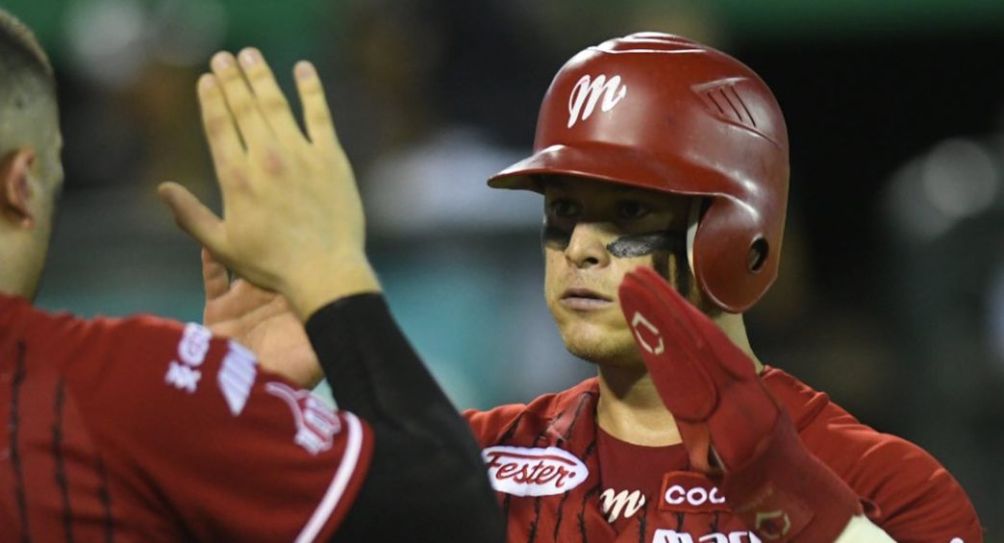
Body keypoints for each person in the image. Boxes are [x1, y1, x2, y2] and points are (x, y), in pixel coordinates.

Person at [199, 33, 984, 542]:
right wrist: (242, 414)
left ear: (736, 236)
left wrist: (783, 490)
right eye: (563, 210)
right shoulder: (474, 460)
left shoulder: (885, 482)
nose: (578, 246)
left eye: (629, 212)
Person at [0, 9, 502, 542]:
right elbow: (448, 519)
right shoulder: (109, 385)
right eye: (57, 163)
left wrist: (233, 429)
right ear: (22, 183)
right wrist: (329, 272)